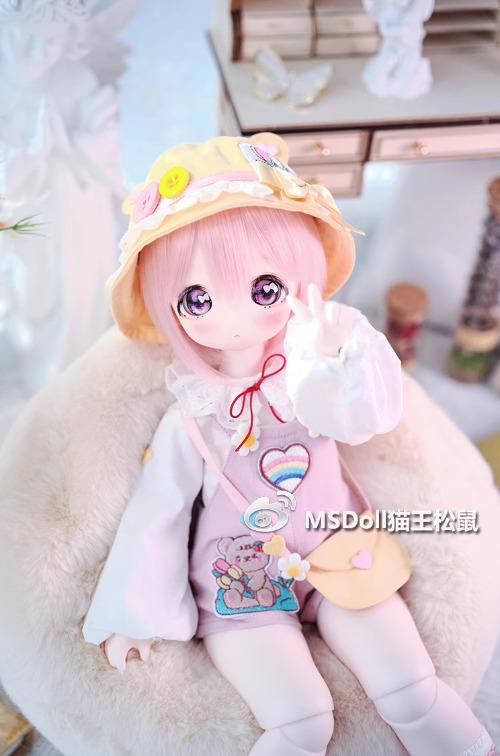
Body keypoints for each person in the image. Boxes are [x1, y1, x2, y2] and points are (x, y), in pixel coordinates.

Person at [83, 133, 496, 756]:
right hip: (240, 577)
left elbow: (369, 417)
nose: (233, 318)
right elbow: (158, 510)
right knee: (301, 723)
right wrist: (131, 613)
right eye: (197, 299)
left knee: (413, 689)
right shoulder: (193, 412)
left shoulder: (310, 373)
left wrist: (338, 354)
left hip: (337, 547)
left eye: (265, 289)